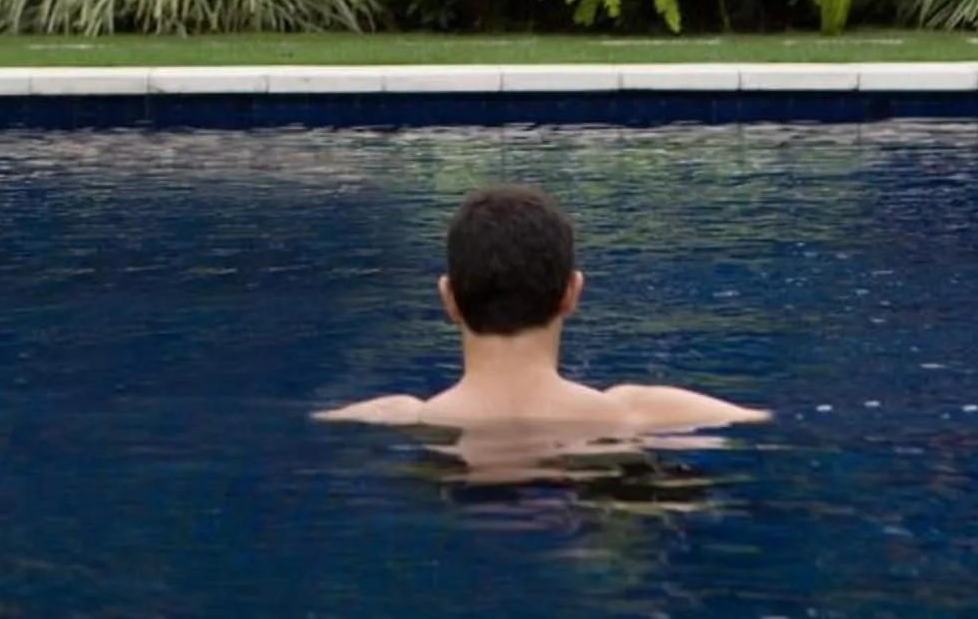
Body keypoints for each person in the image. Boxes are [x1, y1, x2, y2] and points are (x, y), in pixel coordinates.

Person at [318, 184, 770, 435]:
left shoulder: (399, 417)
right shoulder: (636, 414)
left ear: (449, 298)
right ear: (571, 293)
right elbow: (759, 420)